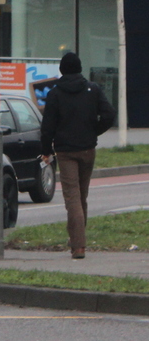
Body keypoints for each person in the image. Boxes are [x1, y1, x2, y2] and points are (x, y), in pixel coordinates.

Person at [40, 52, 116, 259]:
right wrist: (94, 131)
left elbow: (47, 127)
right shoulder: (93, 89)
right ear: (80, 68)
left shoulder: (55, 94)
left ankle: (78, 245)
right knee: (82, 196)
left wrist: (46, 150)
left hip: (65, 152)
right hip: (87, 149)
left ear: (62, 70)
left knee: (72, 197)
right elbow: (109, 114)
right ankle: (77, 239)